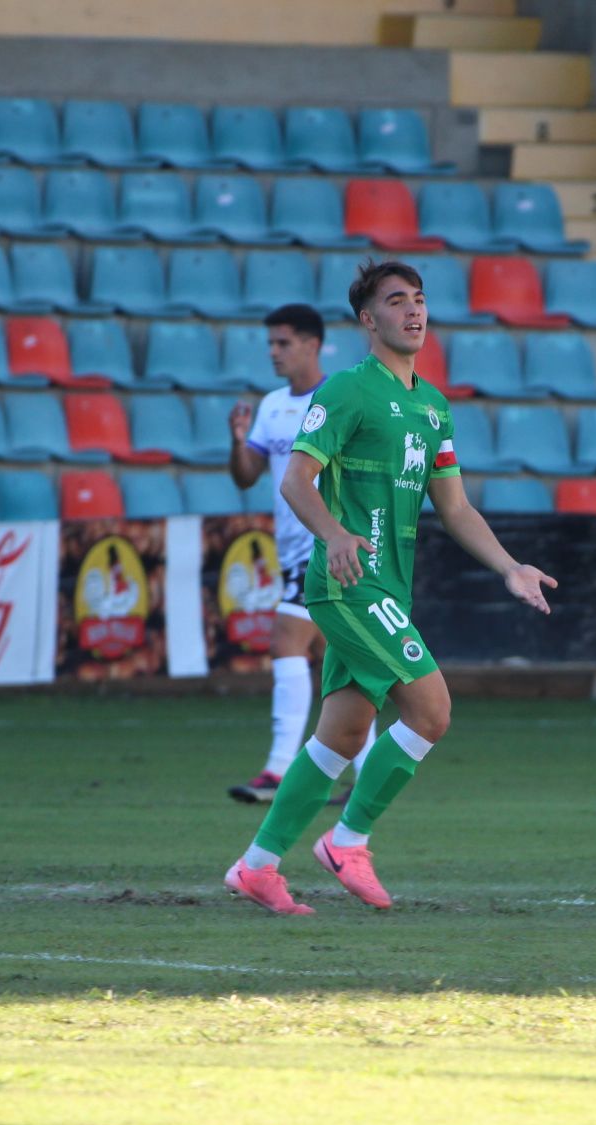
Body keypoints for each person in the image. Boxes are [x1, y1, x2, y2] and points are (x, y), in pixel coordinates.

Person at [224, 260, 556, 915]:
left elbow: (456, 510)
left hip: (390, 589)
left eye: (420, 300)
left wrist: (509, 566)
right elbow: (296, 482)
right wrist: (337, 535)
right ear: (368, 320)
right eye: (397, 301)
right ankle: (347, 842)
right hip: (348, 584)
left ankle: (256, 866)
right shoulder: (347, 390)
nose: (414, 311)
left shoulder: (432, 407)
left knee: (342, 737)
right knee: (431, 710)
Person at [225, 302, 373, 804]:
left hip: (324, 546)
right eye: (270, 343)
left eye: (283, 343)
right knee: (336, 660)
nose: (274, 352)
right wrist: (239, 441)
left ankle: (278, 769)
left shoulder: (334, 399)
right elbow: (247, 475)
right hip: (290, 552)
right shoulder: (272, 406)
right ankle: (371, 769)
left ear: (312, 344)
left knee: (285, 641)